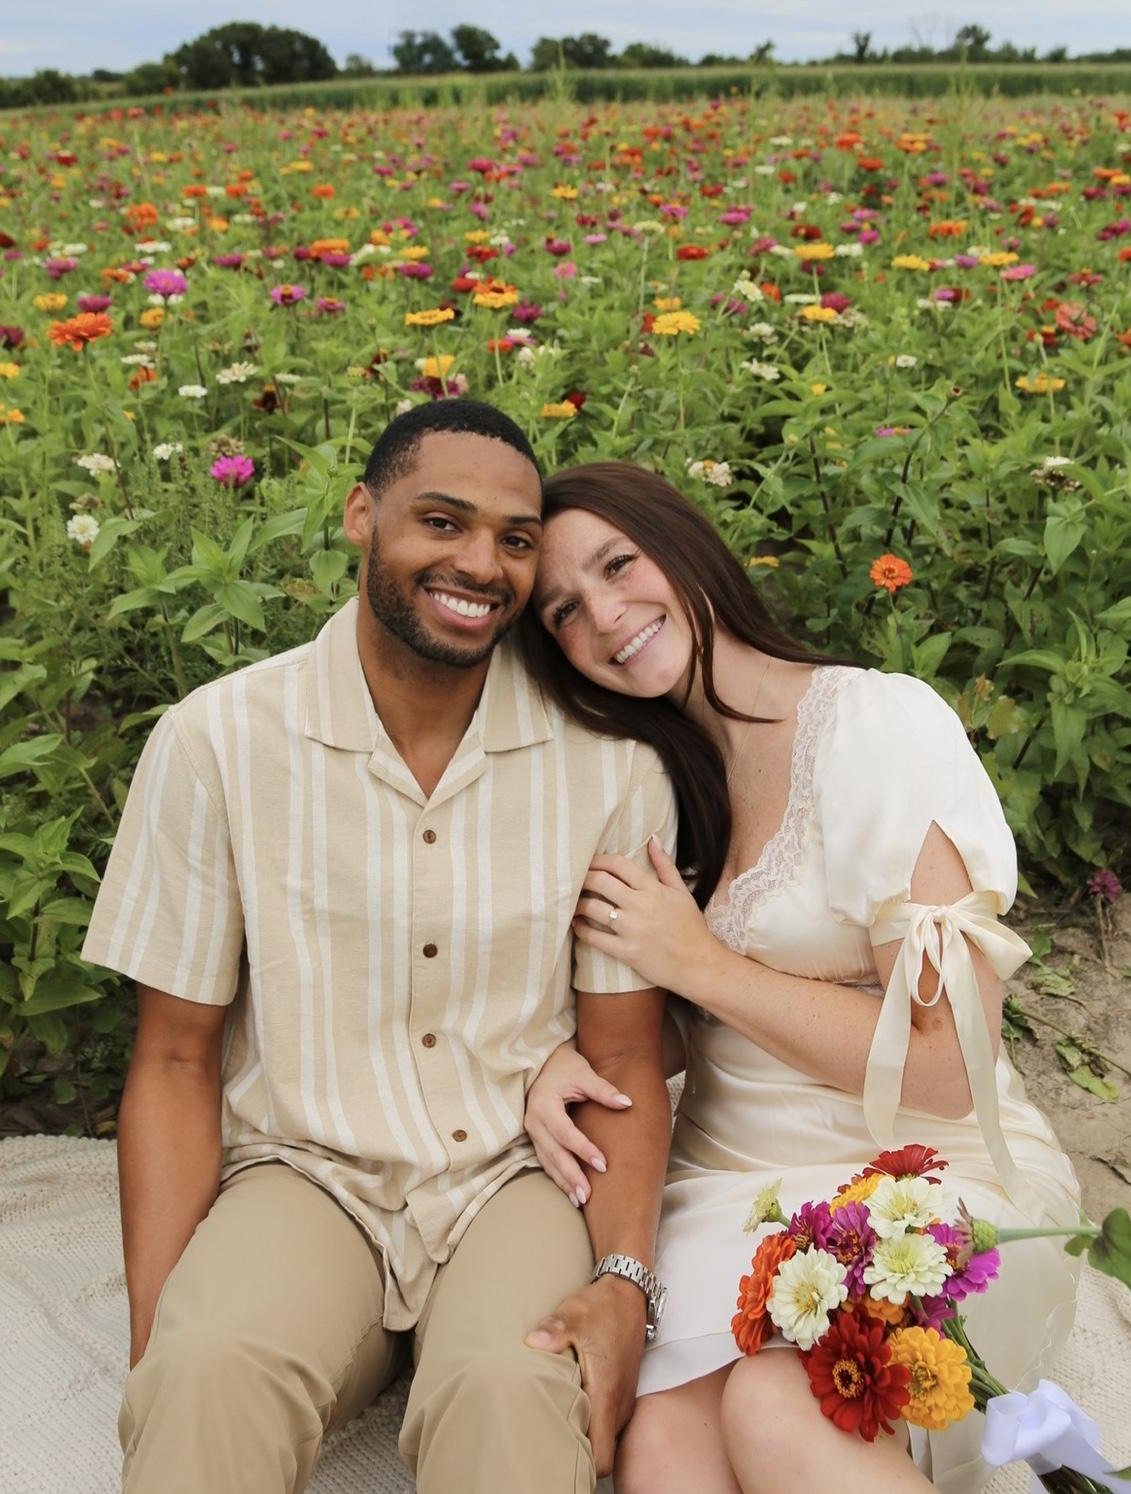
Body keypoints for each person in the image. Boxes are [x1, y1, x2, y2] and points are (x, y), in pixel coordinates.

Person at [80, 403, 681, 1494]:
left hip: (518, 1174)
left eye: (512, 538)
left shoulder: (606, 766)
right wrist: (158, 1346)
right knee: (209, 1370)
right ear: (363, 515)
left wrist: (623, 1282)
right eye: (440, 522)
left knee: (514, 1382)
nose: (478, 564)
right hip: (304, 1170)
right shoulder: (216, 741)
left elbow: (628, 1057)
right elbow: (173, 1061)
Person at [518, 461, 1082, 1494]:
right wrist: (565, 1055)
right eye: (563, 611)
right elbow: (697, 1024)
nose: (603, 616)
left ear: (683, 545)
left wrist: (698, 962)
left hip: (916, 1175)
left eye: (618, 565)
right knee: (662, 1450)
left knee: (779, 1405)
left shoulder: (876, 726)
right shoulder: (653, 783)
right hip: (725, 1189)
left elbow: (947, 1068)